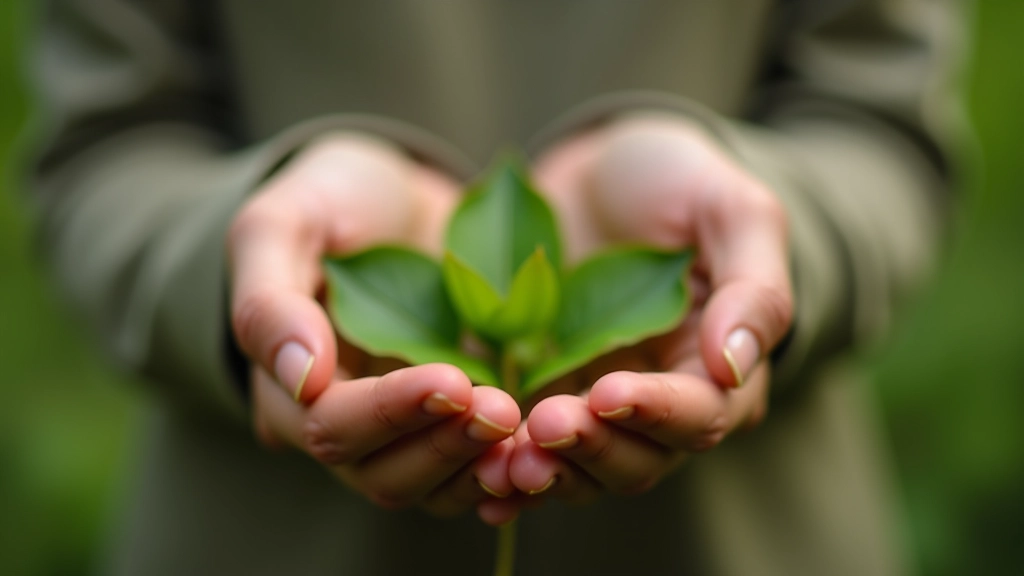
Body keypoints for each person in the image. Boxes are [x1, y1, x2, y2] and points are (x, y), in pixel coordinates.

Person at [28, 1, 965, 575]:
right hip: (273, 541)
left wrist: (771, 240)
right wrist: (233, 266)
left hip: (736, 542)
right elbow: (107, 144)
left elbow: (879, 119)